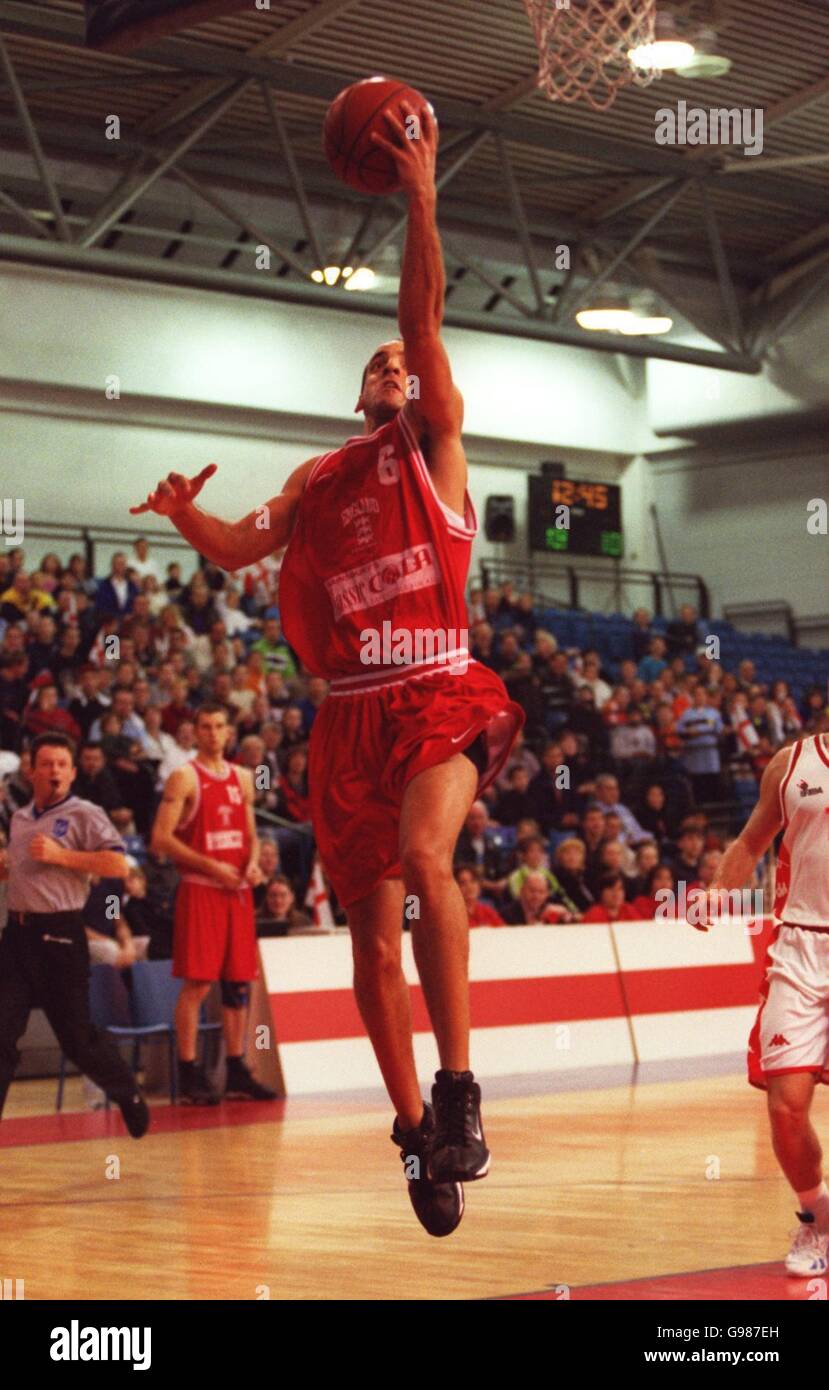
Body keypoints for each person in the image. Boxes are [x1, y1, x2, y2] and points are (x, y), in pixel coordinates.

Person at [131, 100, 523, 1238]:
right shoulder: (317, 478)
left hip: (440, 686)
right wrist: (186, 516)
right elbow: (244, 547)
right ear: (358, 392)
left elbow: (425, 311)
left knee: (422, 854)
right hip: (345, 716)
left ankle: (458, 1083)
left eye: (407, 359)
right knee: (366, 932)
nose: (395, 361)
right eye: (379, 359)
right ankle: (414, 1130)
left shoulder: (436, 442)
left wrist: (421, 197)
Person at [688, 729, 829, 1274]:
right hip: (798, 948)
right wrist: (719, 889)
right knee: (786, 1107)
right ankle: (816, 1217)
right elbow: (750, 842)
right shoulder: (791, 763)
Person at [0, 733, 149, 1138]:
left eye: (62, 764)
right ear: (32, 771)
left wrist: (62, 855)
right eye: (46, 764)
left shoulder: (85, 813)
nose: (54, 771)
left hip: (60, 936)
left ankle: (127, 1092)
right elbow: (20, 869)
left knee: (77, 1040)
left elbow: (119, 865)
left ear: (73, 771)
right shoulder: (19, 817)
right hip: (16, 935)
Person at [150, 703, 276, 1106]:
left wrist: (254, 864)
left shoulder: (242, 777)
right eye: (205, 725)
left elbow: (251, 833)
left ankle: (237, 1068)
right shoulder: (184, 777)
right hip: (202, 887)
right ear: (195, 732)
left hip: (236, 891)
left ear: (228, 732)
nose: (212, 732)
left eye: (219, 725)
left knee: (239, 982)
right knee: (198, 983)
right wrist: (212, 866)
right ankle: (188, 1073)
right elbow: (160, 839)